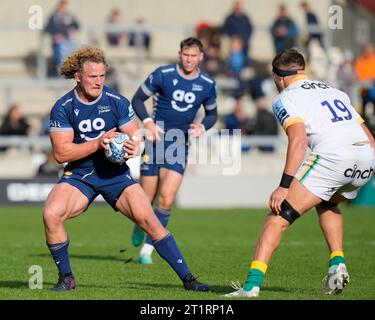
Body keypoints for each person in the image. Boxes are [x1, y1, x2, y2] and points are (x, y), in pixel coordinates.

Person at [44, 46, 211, 292]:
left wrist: (135, 147)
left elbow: (136, 136)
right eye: (93, 77)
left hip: (115, 176)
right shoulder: (64, 106)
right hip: (81, 174)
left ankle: (189, 280)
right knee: (51, 214)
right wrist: (98, 143)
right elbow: (61, 154)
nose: (99, 82)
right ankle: (66, 278)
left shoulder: (116, 102)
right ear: (78, 76)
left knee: (151, 222)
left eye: (102, 76)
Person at [225, 49, 375, 298]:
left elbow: (298, 141)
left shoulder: (286, 97)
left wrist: (284, 186)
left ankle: (251, 287)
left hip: (333, 158)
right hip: (366, 159)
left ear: (278, 76)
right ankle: (337, 263)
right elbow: (369, 138)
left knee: (276, 217)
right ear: (302, 70)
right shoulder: (335, 91)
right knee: (326, 203)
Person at [130, 37, 218, 264]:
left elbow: (212, 114)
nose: (189, 60)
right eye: (185, 55)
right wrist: (147, 122)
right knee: (146, 198)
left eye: (193, 56)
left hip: (180, 143)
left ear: (201, 57)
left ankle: (147, 251)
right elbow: (138, 99)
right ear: (180, 54)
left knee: (167, 198)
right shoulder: (163, 74)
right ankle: (139, 223)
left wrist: (202, 126)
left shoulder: (207, 84)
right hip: (155, 140)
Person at [44, 0, 80, 77]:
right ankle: (53, 78)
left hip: (68, 42)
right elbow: (47, 28)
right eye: (63, 7)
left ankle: (66, 79)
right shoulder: (54, 17)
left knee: (71, 61)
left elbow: (77, 26)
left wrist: (72, 30)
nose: (65, 9)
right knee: (58, 62)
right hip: (58, 43)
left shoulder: (70, 16)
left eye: (66, 7)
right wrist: (56, 34)